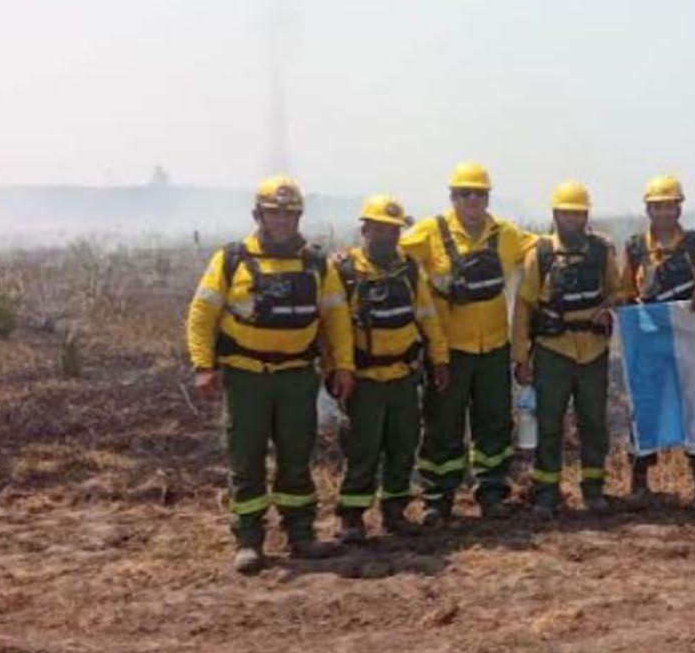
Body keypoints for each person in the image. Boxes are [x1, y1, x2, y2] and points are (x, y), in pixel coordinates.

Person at [184, 174, 354, 574]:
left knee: (297, 456)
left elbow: (336, 319)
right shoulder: (231, 261)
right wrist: (203, 365)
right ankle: (248, 539)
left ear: (299, 218)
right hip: (247, 379)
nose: (281, 222)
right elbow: (202, 314)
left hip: (297, 378)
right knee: (246, 459)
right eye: (273, 214)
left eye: (289, 215)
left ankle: (301, 534)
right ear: (257, 214)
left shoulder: (316, 264)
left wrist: (341, 366)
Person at [400, 161, 535, 525]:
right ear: (452, 196)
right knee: (443, 423)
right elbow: (387, 255)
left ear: (488, 197)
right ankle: (437, 497)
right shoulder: (430, 232)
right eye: (464, 193)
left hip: (493, 347)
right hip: (449, 349)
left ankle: (491, 491)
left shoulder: (505, 234)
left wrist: (593, 237)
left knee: (493, 421)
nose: (472, 200)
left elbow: (543, 249)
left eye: (479, 193)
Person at [329, 195, 450, 543]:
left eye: (393, 231)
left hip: (403, 376)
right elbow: (334, 327)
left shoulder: (409, 270)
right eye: (380, 229)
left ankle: (394, 511)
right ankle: (351, 516)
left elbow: (427, 317)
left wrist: (439, 359)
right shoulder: (344, 271)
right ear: (364, 228)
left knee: (403, 444)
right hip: (364, 381)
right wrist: (340, 370)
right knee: (363, 448)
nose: (387, 237)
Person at [512, 181, 618, 518]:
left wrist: (608, 308)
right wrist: (520, 358)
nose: (572, 220)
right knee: (549, 423)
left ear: (586, 216)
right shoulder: (540, 255)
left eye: (578, 214)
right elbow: (524, 308)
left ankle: (594, 489)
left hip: (592, 350)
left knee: (593, 422)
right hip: (552, 350)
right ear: (555, 215)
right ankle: (545, 493)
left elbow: (616, 292)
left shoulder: (602, 251)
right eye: (566, 214)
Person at [618, 174, 695, 509]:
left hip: (688, 338)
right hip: (648, 340)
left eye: (670, 206)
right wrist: (617, 303)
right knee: (645, 405)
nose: (664, 212)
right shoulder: (634, 247)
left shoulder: (694, 243)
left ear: (679, 207)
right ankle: (638, 486)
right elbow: (624, 291)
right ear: (648, 209)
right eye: (657, 206)